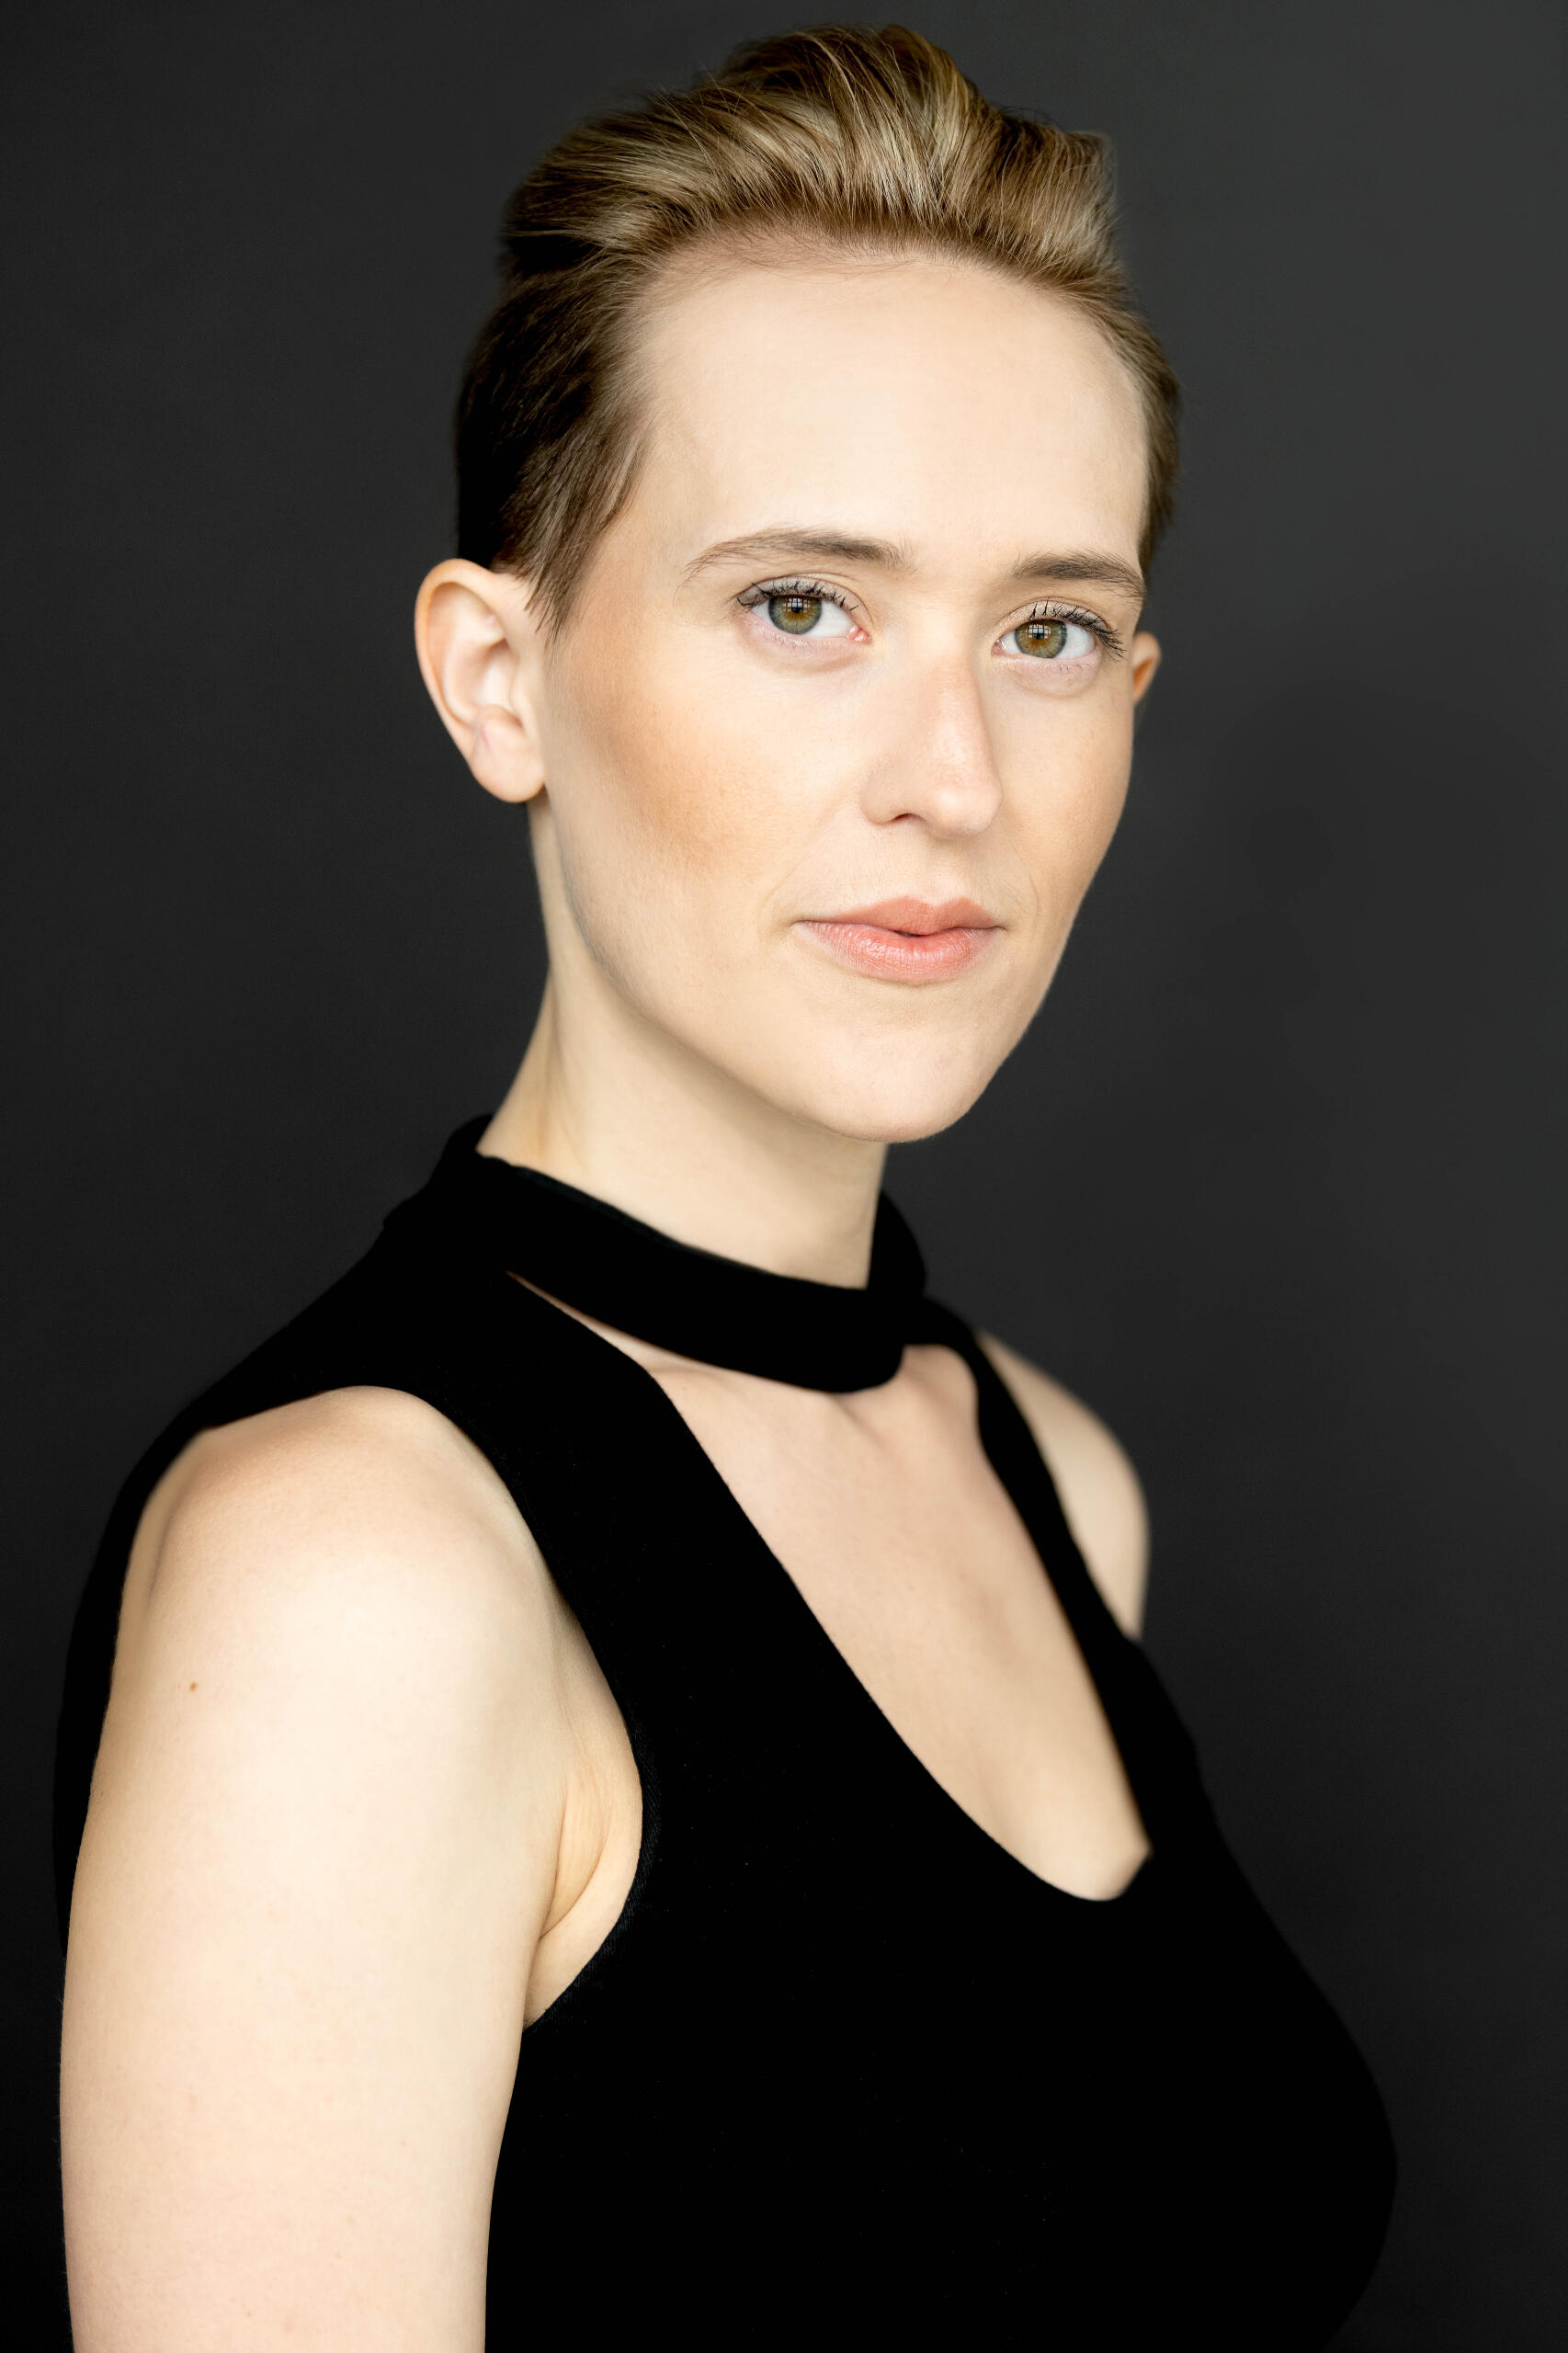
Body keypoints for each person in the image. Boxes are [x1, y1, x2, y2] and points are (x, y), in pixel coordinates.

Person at [54, 25, 1394, 2347]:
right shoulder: (356, 1576)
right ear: (498, 678)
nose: (952, 775)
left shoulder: (1047, 1471)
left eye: (1047, 630)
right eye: (801, 606)